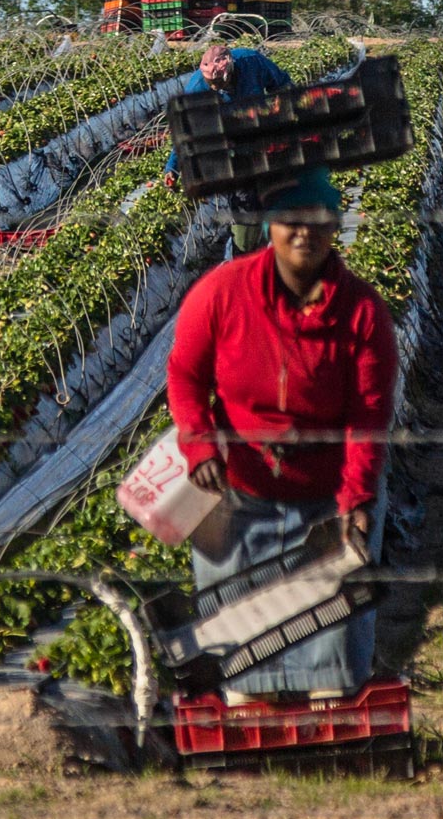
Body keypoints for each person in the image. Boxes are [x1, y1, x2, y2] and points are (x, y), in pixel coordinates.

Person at [167, 167, 395, 703]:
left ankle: (328, 726)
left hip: (326, 493)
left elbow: (369, 417)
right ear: (269, 226)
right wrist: (198, 443)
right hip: (240, 491)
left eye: (317, 220)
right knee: (240, 636)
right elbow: (185, 374)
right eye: (290, 220)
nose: (303, 233)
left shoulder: (362, 313)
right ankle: (250, 726)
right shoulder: (223, 293)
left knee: (330, 637)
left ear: (335, 226)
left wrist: (356, 499)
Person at [165, 42, 294, 256]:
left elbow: (281, 83)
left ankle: (267, 244)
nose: (213, 88)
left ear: (229, 74)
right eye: (210, 83)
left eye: (216, 84)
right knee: (244, 201)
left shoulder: (251, 61)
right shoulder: (197, 88)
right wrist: (173, 168)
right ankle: (242, 253)